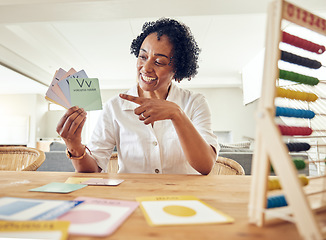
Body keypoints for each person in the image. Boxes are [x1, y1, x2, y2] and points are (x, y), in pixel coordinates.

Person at [56, 18, 219, 175]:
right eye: (143, 57)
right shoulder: (115, 106)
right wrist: (75, 146)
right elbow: (93, 169)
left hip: (182, 198)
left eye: (159, 62)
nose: (145, 68)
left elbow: (206, 166)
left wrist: (177, 114)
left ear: (177, 68)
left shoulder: (195, 103)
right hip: (132, 196)